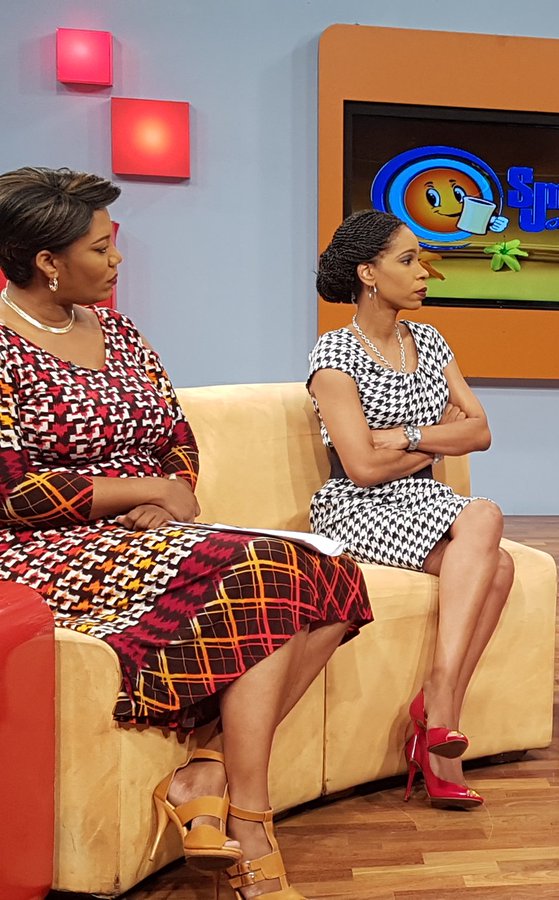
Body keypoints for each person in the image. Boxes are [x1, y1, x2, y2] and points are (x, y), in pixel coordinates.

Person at [0, 167, 373, 900]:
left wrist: (172, 495)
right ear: (47, 261)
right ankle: (251, 821)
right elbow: (12, 492)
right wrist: (142, 490)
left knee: (331, 570)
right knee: (267, 571)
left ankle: (205, 773)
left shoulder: (119, 332)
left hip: (149, 530)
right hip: (45, 549)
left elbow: (177, 437)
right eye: (101, 248)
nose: (117, 259)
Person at [308, 209, 513, 810]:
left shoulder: (430, 341)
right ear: (368, 273)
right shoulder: (334, 355)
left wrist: (403, 435)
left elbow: (480, 431)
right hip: (355, 507)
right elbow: (362, 469)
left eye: (421, 259)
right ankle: (441, 703)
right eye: (408, 260)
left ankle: (436, 712)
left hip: (422, 499)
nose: (424, 272)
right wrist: (435, 439)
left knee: (499, 566)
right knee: (485, 517)